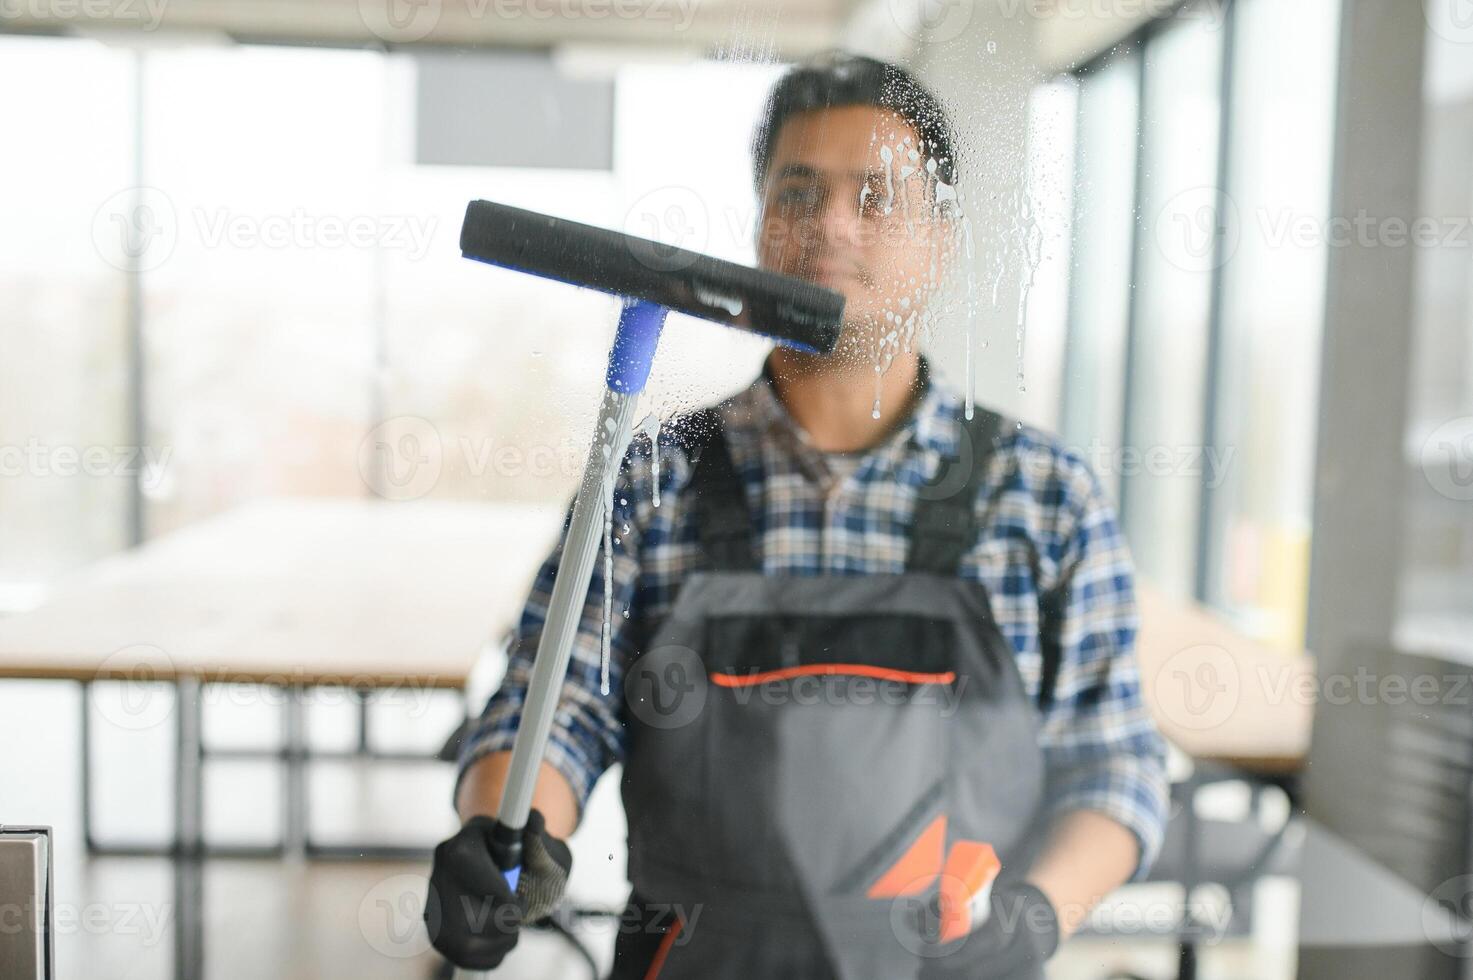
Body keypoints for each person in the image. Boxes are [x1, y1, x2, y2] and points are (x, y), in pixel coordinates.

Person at [425, 51, 1168, 979]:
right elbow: (553, 714)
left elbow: (1114, 766)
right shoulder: (652, 480)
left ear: (940, 239)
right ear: (759, 225)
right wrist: (504, 838)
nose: (830, 226)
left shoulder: (1043, 498)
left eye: (876, 197)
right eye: (797, 193)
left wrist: (1030, 915)